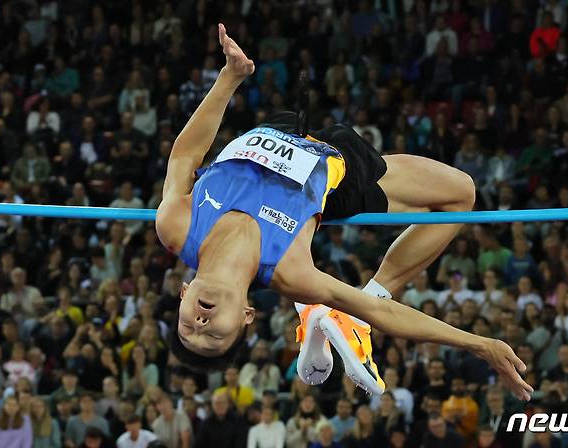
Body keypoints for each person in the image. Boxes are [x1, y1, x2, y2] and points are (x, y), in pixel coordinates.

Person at [157, 24, 532, 401]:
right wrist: (479, 344)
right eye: (215, 334)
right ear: (246, 315)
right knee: (460, 194)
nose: (202, 322)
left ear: (183, 294)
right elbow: (383, 314)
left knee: (456, 193)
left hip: (281, 124)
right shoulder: (290, 271)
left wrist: (229, 77)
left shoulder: (175, 226)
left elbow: (185, 155)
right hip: (339, 170)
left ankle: (339, 322)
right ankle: (358, 314)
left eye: (188, 327)